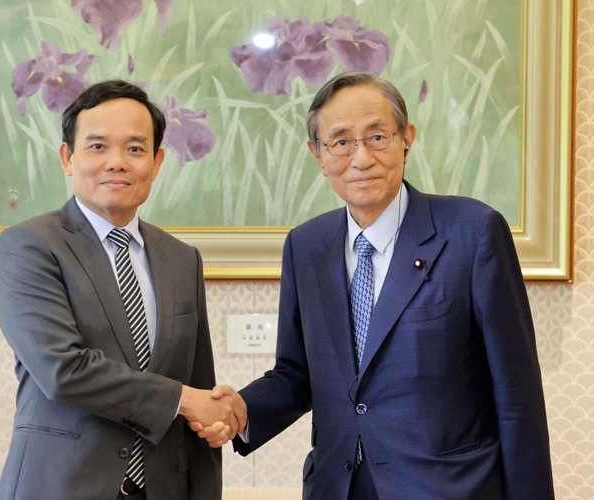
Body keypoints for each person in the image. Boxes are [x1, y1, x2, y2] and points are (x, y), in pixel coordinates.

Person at [197, 71, 554, 499]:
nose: (361, 158)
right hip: (338, 486)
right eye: (342, 141)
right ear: (318, 154)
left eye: (377, 137)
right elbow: (297, 374)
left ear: (407, 138)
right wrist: (241, 409)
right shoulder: (306, 246)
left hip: (448, 489)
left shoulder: (473, 232)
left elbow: (517, 394)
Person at [0, 80, 245, 500]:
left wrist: (212, 415)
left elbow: (199, 383)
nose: (117, 163)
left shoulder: (183, 259)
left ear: (157, 161)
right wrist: (186, 400)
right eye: (97, 147)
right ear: (67, 158)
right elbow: (63, 370)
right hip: (61, 486)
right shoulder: (30, 246)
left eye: (134, 148)